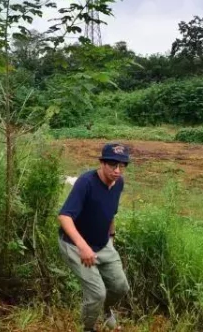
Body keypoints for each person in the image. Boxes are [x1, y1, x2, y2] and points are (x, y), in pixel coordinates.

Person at [57, 142, 131, 332]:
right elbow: (64, 216)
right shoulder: (86, 182)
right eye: (113, 165)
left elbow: (110, 213)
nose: (117, 170)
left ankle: (106, 310)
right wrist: (83, 247)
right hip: (75, 245)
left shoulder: (118, 183)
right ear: (102, 163)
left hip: (102, 243)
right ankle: (88, 328)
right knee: (97, 293)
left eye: (121, 166)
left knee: (120, 287)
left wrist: (111, 239)